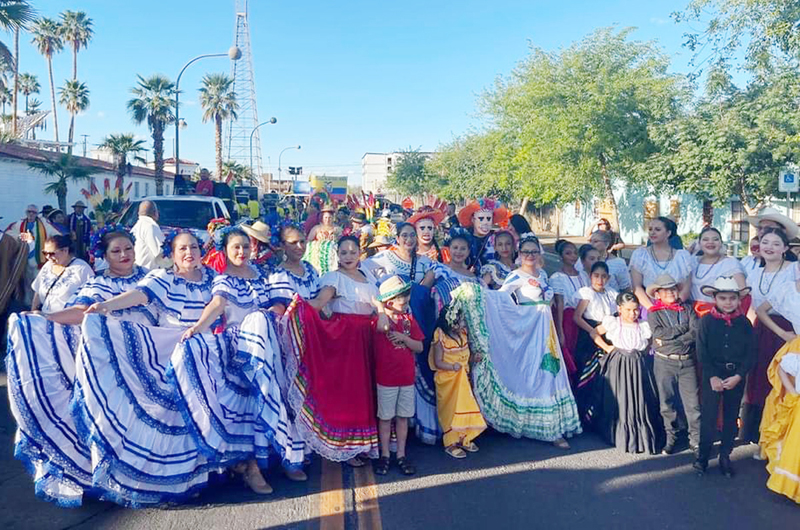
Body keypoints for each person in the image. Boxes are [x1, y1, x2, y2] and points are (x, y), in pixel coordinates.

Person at [6, 227, 149, 507]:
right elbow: (80, 312)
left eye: (128, 249)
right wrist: (43, 316)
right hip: (113, 364)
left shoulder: (150, 277)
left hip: (151, 358)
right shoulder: (98, 285)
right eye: (116, 251)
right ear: (104, 256)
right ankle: (121, 479)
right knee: (117, 422)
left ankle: (148, 475)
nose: (124, 255)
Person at [75, 231, 219, 505]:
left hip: (204, 349)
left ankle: (195, 476)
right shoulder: (162, 278)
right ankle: (161, 481)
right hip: (167, 350)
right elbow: (139, 295)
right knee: (166, 417)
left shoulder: (212, 278)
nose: (189, 253)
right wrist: (104, 306)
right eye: (182, 249)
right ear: (172, 254)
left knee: (198, 415)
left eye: (194, 247)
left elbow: (224, 301)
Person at [174, 227, 306, 494]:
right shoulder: (223, 280)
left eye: (246, 247)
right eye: (236, 247)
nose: (242, 252)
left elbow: (279, 305)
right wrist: (198, 327)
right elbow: (217, 305)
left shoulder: (262, 275)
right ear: (225, 250)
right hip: (239, 349)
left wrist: (270, 314)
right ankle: (251, 467)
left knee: (276, 396)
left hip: (267, 345)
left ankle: (286, 455)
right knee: (248, 406)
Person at [460, 233, 581, 447]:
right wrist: (476, 293)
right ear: (520, 254)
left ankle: (554, 428)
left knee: (550, 373)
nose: (530, 255)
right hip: (528, 331)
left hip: (546, 330)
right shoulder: (516, 276)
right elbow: (500, 299)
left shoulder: (543, 274)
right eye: (526, 252)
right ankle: (535, 425)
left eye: (534, 251)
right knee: (531, 372)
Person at [283, 235, 381, 464]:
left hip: (368, 337)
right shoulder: (334, 278)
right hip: (347, 340)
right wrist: (298, 305)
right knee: (351, 392)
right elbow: (318, 304)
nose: (348, 256)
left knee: (367, 390)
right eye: (343, 252)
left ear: (360, 254)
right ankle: (347, 445)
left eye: (352, 252)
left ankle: (364, 443)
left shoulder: (368, 279)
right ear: (337, 254)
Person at [363, 222, 439, 444]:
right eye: (404, 235)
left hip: (417, 323)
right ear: (397, 238)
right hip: (393, 322)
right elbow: (364, 269)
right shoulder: (385, 258)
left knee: (417, 370)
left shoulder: (426, 263)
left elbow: (440, 278)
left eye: (411, 235)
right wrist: (380, 296)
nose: (408, 239)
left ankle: (414, 426)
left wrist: (425, 284)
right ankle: (390, 438)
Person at [582, 292, 664, 454]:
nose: (632, 314)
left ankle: (639, 434)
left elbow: (649, 342)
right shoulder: (613, 322)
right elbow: (594, 333)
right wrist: (608, 348)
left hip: (637, 364)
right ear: (619, 309)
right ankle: (617, 434)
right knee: (620, 398)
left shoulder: (643, 325)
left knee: (638, 399)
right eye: (628, 310)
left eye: (635, 310)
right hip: (618, 364)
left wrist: (643, 352)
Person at [742, 227, 799, 443]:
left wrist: (786, 333)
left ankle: (783, 432)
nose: (769, 247)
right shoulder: (755, 272)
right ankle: (758, 431)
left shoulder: (794, 269)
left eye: (776, 244)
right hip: (763, 328)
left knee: (785, 377)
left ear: (785, 248)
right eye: (765, 242)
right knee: (759, 376)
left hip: (790, 328)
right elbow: (755, 308)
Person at [694, 277, 756, 477]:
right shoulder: (706, 321)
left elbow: (751, 353)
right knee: (709, 416)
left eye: (732, 298)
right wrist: (711, 376)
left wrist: (739, 375)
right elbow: (701, 350)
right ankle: (702, 456)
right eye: (723, 298)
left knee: (731, 417)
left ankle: (725, 456)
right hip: (713, 374)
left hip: (735, 375)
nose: (728, 302)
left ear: (739, 299)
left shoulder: (745, 323)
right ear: (715, 298)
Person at [371, 276, 425, 476]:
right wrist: (380, 306)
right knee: (385, 418)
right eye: (402, 300)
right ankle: (385, 454)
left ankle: (400, 454)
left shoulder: (408, 321)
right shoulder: (379, 319)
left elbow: (419, 346)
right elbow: (383, 327)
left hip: (406, 378)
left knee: (403, 418)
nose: (406, 303)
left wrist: (404, 338)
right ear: (390, 302)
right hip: (386, 379)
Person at [646, 274, 701, 455]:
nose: (670, 292)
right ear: (658, 294)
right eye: (665, 290)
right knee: (666, 403)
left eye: (673, 289)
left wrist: (674, 340)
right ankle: (671, 438)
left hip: (687, 362)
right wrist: (680, 330)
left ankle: (696, 439)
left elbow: (695, 331)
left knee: (693, 404)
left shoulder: (688, 309)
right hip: (664, 362)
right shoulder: (654, 313)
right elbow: (658, 333)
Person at [759, 272, 800, 500]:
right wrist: (783, 333)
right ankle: (780, 455)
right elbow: (761, 310)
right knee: (784, 402)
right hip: (796, 348)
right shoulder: (786, 287)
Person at [430, 305, 486, 459]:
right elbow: (438, 361)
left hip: (463, 378)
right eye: (458, 322)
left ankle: (464, 438)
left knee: (466, 406)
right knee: (451, 411)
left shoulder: (463, 334)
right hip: (448, 381)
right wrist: (452, 367)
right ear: (449, 322)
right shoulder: (440, 335)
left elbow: (465, 357)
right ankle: (450, 443)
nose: (461, 324)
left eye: (462, 321)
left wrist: (474, 359)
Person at [630, 216, 694, 310]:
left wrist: (674, 306)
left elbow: (687, 286)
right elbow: (637, 287)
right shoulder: (640, 255)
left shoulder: (682, 256)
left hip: (677, 306)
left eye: (658, 229)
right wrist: (652, 308)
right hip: (649, 306)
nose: (652, 232)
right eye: (650, 229)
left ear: (668, 233)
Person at [573, 262, 619, 389]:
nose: (600, 280)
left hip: (608, 331)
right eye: (596, 276)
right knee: (589, 369)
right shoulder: (587, 293)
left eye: (603, 276)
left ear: (608, 278)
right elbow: (577, 317)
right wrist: (593, 332)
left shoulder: (611, 293)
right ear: (590, 276)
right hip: (590, 333)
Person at [30, 234, 94, 314]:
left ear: (65, 251)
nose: (48, 257)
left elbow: (91, 298)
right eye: (45, 253)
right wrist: (32, 314)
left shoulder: (82, 269)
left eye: (52, 253)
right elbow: (38, 292)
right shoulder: (47, 266)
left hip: (68, 321)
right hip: (44, 318)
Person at [690, 226, 746, 315]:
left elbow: (742, 290)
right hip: (691, 313)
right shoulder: (692, 261)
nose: (710, 242)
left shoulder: (730, 263)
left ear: (721, 243)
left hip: (719, 313)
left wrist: (724, 306)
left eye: (715, 239)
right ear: (699, 243)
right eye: (705, 239)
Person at [550, 239, 584, 381]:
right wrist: (560, 331)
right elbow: (559, 304)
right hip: (568, 321)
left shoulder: (583, 275)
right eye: (568, 253)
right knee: (569, 354)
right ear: (561, 256)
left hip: (584, 318)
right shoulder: (557, 277)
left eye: (575, 253)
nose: (572, 256)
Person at [9, 204, 54, 305]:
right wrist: (20, 236)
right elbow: (9, 233)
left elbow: (55, 234)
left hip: (39, 260)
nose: (31, 214)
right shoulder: (20, 224)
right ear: (26, 213)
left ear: (37, 214)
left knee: (39, 284)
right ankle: (28, 304)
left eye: (33, 212)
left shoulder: (44, 224)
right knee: (27, 283)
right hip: (25, 259)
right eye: (29, 212)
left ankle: (40, 304)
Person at [268, 223, 321, 306]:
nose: (299, 247)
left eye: (302, 241)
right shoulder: (279, 275)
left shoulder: (309, 268)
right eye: (293, 243)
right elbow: (281, 309)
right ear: (283, 246)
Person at [457, 198, 510, 267]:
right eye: (481, 218)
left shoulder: (497, 239)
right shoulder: (464, 239)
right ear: (473, 219)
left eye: (488, 219)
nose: (485, 222)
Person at [305, 203, 341, 274]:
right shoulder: (316, 228)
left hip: (332, 258)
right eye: (325, 218)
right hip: (319, 257)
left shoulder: (337, 229)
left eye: (329, 218)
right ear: (322, 218)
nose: (327, 220)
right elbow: (308, 241)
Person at [131, 200, 165, 270]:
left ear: (138, 213)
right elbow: (160, 253)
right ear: (156, 213)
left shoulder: (136, 227)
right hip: (147, 272)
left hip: (136, 270)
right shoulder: (151, 226)